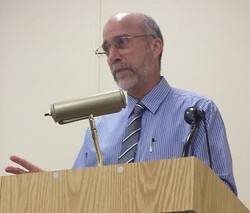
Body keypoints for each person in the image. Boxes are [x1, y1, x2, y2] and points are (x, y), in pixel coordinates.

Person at [5, 12, 237, 195]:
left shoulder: (198, 112)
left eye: (122, 42)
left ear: (155, 47)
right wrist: (49, 188)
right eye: (107, 48)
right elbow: (77, 195)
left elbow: (221, 195)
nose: (113, 56)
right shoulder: (101, 126)